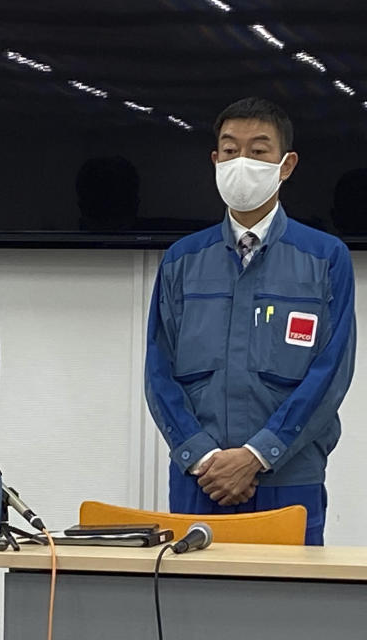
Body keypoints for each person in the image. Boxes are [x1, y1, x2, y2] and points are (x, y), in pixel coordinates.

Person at [145, 97, 355, 544]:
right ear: (215, 160)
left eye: (258, 151)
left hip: (289, 478)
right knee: (194, 610)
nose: (242, 161)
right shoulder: (183, 260)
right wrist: (202, 456)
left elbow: (330, 374)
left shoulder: (324, 257)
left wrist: (259, 454)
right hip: (200, 480)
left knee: (287, 609)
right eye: (230, 149)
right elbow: (158, 372)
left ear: (286, 164)